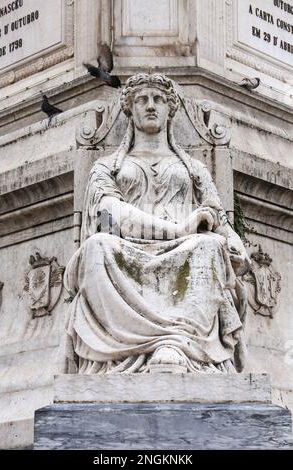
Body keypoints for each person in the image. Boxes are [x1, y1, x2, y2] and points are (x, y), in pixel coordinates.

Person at [64, 73, 249, 374]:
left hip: (188, 249)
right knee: (97, 247)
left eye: (159, 99)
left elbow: (222, 223)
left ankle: (177, 342)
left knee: (210, 247)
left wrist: (234, 243)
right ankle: (140, 345)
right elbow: (109, 213)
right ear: (130, 109)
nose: (151, 105)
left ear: (170, 108)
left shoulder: (195, 168)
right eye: (142, 100)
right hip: (126, 246)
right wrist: (178, 229)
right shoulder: (107, 167)